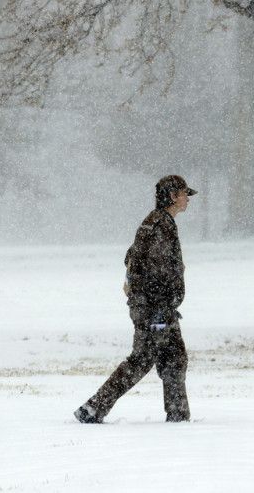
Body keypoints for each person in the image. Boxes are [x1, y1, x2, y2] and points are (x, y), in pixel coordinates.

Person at [74, 175, 196, 423]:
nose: (187, 199)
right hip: (155, 307)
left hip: (150, 305)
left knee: (169, 358)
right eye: (184, 194)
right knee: (149, 359)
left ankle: (177, 415)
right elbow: (158, 271)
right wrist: (160, 309)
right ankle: (95, 408)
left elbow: (131, 258)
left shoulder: (154, 223)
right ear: (173, 196)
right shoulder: (160, 226)